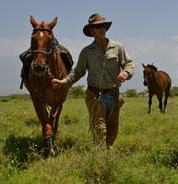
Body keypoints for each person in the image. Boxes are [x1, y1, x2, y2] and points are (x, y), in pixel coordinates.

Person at [52, 13, 134, 149]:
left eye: (103, 26)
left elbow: (129, 64)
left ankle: (107, 154)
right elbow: (78, 72)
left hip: (114, 95)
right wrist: (64, 82)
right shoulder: (86, 52)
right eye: (98, 27)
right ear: (91, 31)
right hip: (96, 95)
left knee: (113, 132)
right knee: (100, 130)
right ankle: (100, 161)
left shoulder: (118, 47)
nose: (102, 29)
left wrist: (126, 72)